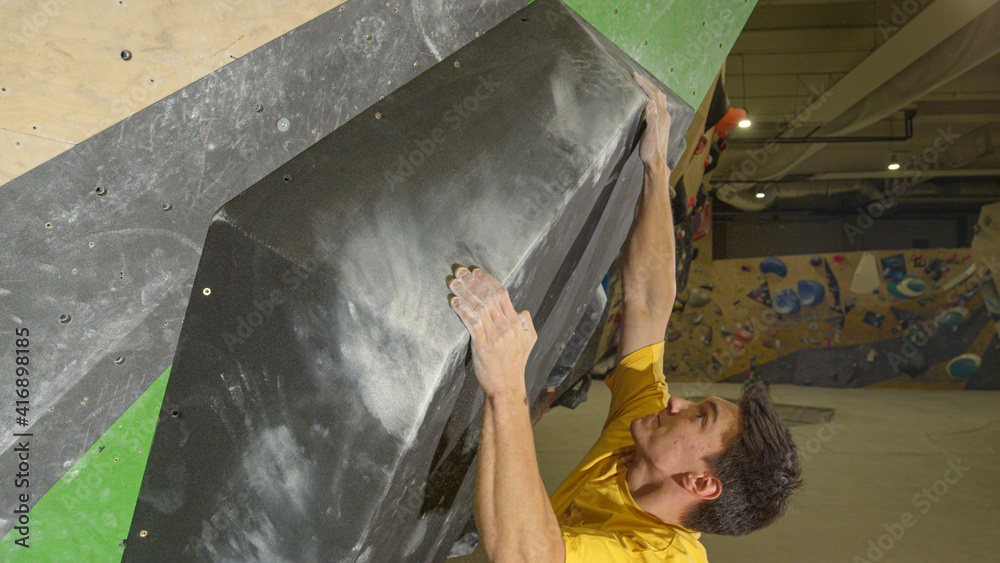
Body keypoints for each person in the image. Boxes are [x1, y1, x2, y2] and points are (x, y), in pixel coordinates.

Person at [446, 72, 802, 562]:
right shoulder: (642, 437)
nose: (676, 400)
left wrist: (508, 386)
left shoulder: (660, 557)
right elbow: (649, 304)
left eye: (699, 416)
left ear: (700, 481)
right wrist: (657, 168)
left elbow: (526, 557)